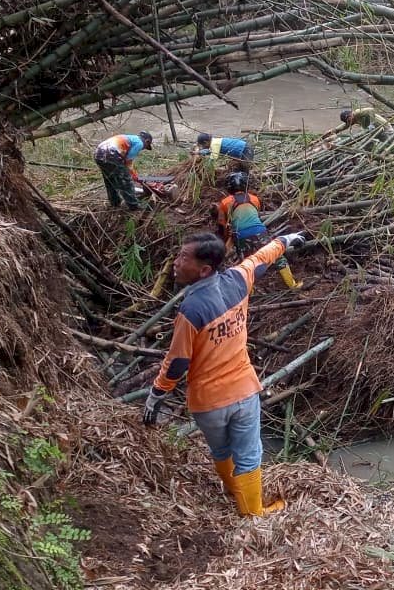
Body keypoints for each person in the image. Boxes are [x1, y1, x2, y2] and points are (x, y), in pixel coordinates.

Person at [142, 230, 307, 517]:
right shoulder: (237, 280)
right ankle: (253, 512)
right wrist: (286, 240)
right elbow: (261, 259)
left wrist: (156, 395)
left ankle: (238, 495)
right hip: (243, 391)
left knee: (222, 451)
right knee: (249, 455)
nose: (176, 263)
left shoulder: (191, 310)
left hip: (207, 403)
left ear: (204, 270)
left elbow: (178, 362)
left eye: (183, 258)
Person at [213, 172, 301, 290]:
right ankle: (292, 285)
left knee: (247, 265)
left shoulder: (225, 202)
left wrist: (225, 239)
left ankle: (249, 292)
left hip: (240, 235)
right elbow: (255, 215)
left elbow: (222, 223)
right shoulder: (254, 199)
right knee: (277, 256)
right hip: (259, 231)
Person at [95, 131, 152, 210]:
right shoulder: (140, 143)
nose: (143, 149)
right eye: (145, 147)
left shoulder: (130, 138)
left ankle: (115, 202)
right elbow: (128, 161)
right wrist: (134, 175)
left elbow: (124, 158)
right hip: (111, 153)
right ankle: (134, 205)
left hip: (98, 153)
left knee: (110, 179)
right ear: (147, 141)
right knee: (126, 181)